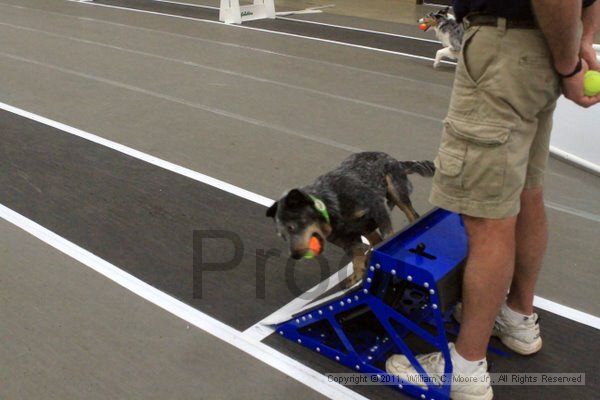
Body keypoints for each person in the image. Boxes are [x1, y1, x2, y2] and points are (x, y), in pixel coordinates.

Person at [386, 1, 600, 399]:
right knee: (526, 193)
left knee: (487, 221)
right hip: (539, 51)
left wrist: (571, 64)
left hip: (505, 52)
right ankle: (518, 318)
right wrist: (582, 41)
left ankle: (465, 370)